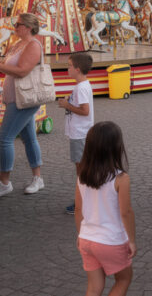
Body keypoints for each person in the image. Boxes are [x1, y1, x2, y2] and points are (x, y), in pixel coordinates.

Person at [0, 13, 46, 199]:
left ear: (29, 27)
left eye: (18, 25)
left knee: (5, 137)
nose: (14, 28)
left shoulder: (33, 45)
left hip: (23, 98)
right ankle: (37, 178)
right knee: (29, 137)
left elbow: (22, 71)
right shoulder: (17, 44)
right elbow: (9, 67)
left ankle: (4, 182)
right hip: (16, 96)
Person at [75, 121, 137, 296]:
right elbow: (126, 213)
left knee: (94, 287)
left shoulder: (82, 175)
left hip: (87, 239)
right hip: (111, 240)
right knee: (124, 279)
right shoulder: (121, 178)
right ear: (117, 147)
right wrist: (131, 240)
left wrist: (81, 234)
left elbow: (78, 210)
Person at [59, 52, 95, 215]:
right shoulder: (84, 85)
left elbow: (85, 111)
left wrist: (66, 105)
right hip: (82, 132)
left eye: (69, 65)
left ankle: (82, 202)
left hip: (79, 133)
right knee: (83, 167)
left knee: (81, 169)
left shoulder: (81, 88)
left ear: (77, 69)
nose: (67, 68)